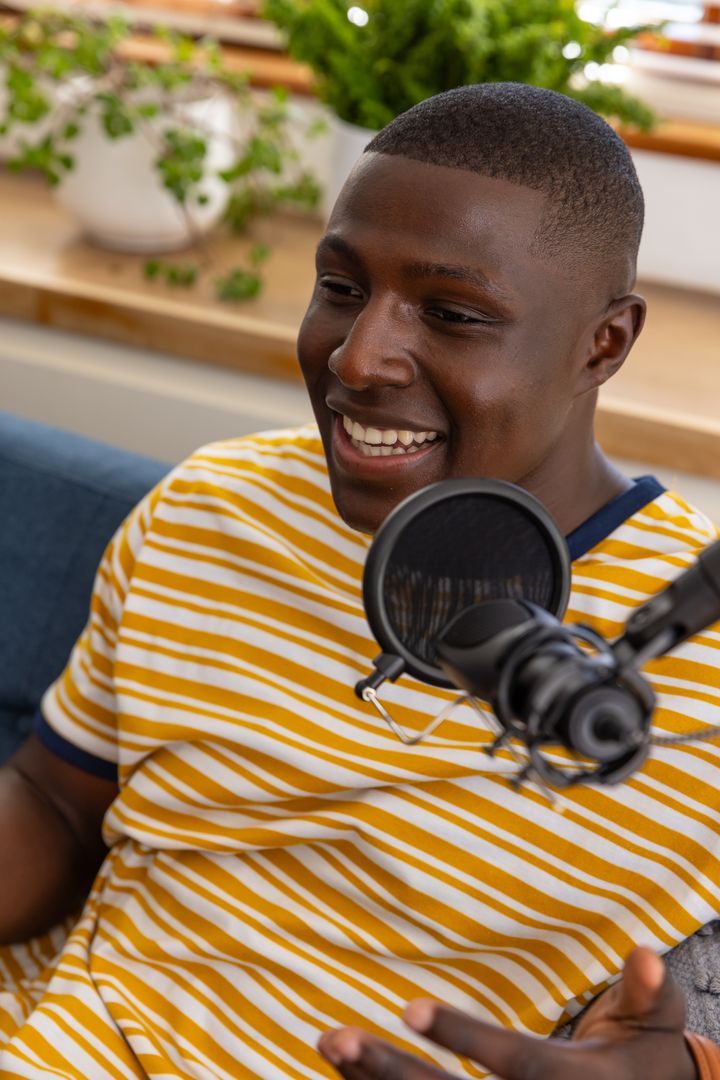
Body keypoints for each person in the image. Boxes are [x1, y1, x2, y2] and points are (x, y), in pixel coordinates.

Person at [0, 83, 718, 1080]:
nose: (358, 355)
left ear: (605, 343)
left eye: (456, 314)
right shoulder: (212, 506)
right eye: (340, 288)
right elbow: (58, 797)